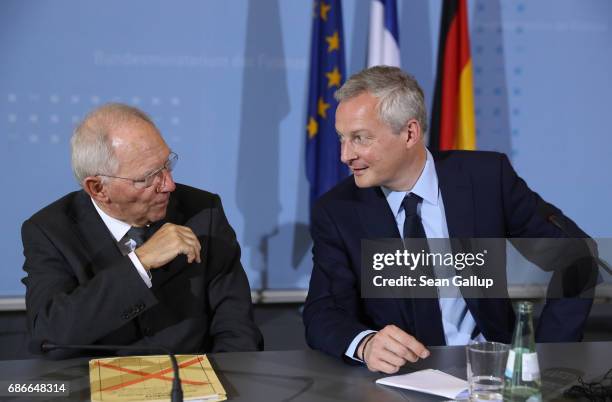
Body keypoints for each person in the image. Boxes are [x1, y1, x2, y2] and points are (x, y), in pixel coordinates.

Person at [302, 66, 594, 374]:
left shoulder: (486, 179)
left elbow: (576, 256)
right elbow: (323, 312)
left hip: (491, 377)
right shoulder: (338, 210)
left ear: (410, 133)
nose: (345, 155)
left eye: (360, 138)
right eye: (342, 138)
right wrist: (366, 344)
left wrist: (544, 356)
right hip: (395, 382)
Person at [22, 103, 263, 357]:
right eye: (149, 177)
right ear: (98, 188)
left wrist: (225, 387)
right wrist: (139, 263)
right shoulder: (50, 232)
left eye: (167, 165)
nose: (169, 185)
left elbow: (237, 329)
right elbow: (48, 336)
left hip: (193, 385)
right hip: (96, 387)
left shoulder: (203, 212)